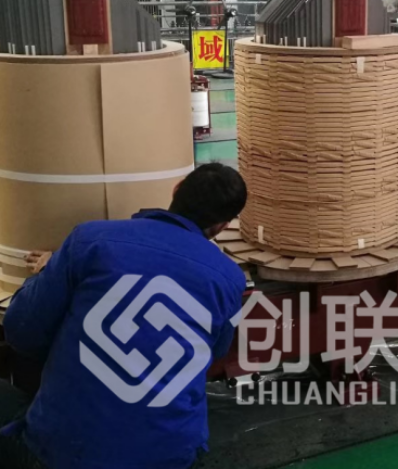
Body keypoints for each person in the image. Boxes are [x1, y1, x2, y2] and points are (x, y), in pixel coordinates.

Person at [0, 163, 248, 469]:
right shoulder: (229, 279)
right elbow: (215, 351)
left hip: (68, 453)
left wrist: (47, 275)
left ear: (176, 188)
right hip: (170, 455)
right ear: (222, 226)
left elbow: (21, 331)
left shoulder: (90, 240)